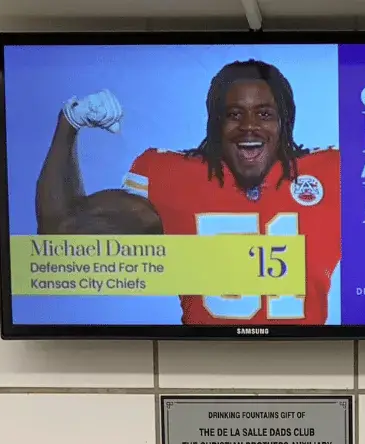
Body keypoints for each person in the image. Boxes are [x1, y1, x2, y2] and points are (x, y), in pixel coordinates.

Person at [35, 59, 340, 325]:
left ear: (285, 123)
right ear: (215, 123)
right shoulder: (171, 175)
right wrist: (69, 123)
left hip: (308, 358)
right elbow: (60, 232)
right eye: (234, 114)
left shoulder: (331, 171)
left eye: (264, 114)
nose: (249, 126)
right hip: (197, 361)